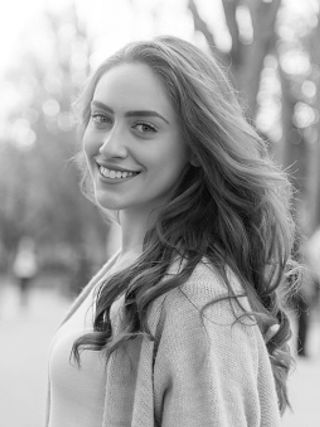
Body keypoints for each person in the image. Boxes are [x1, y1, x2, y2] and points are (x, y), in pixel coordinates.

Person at [46, 36, 297, 426]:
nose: (110, 146)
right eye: (102, 118)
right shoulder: (131, 262)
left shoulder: (194, 299)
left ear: (196, 148)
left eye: (144, 127)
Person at [12, 236, 37, 307]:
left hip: (28, 274)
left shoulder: (30, 255)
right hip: (21, 274)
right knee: (21, 288)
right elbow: (17, 264)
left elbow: (32, 265)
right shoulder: (21, 254)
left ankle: (25, 301)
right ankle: (22, 301)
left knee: (27, 288)